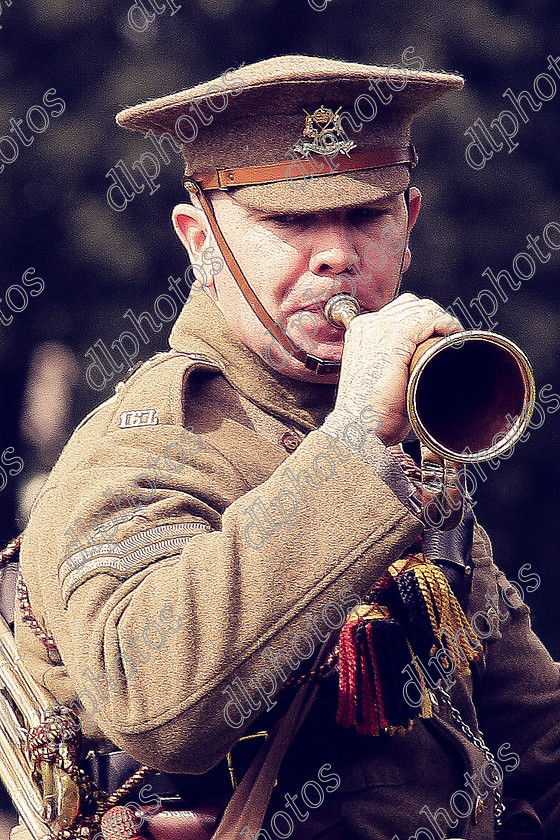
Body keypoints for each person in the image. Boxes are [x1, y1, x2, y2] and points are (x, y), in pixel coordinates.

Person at [9, 55, 560, 840]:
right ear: (200, 240)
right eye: (291, 222)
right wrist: (354, 445)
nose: (337, 256)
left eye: (367, 214)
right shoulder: (147, 449)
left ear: (409, 226)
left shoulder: (405, 441)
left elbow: (533, 733)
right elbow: (156, 703)